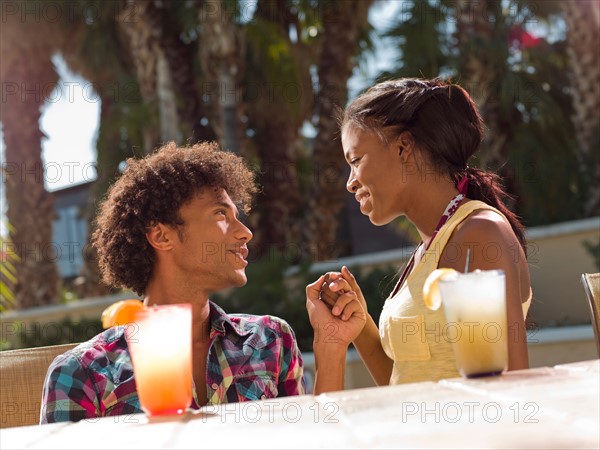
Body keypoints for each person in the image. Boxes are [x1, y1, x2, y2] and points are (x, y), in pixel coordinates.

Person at [41, 142, 305, 423]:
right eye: (220, 214)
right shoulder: (83, 374)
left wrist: (330, 345)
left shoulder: (271, 340)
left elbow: (309, 438)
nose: (245, 233)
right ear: (162, 237)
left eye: (236, 217)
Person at [306, 78, 531, 393]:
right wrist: (360, 325)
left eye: (356, 161)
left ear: (402, 147)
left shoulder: (479, 234)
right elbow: (407, 383)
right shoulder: (426, 249)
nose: (350, 182)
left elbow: (512, 390)